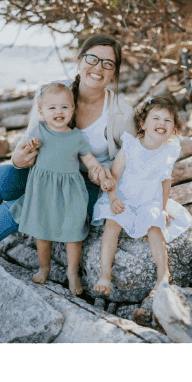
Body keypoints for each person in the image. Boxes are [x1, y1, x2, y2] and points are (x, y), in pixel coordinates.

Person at [0, 34, 135, 254]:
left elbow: (130, 164)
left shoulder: (122, 113)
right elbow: (27, 144)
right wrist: (18, 159)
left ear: (114, 72)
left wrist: (105, 174)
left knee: (17, 208)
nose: (98, 67)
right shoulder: (53, 92)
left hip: (85, 187)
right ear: (80, 61)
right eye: (92, 59)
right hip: (46, 173)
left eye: (108, 63)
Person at [9, 83, 113, 295]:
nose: (59, 112)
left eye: (64, 107)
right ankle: (44, 267)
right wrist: (32, 145)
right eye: (52, 108)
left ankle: (72, 272)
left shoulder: (76, 137)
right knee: (42, 232)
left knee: (73, 233)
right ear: (41, 112)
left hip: (70, 193)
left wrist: (100, 172)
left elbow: (90, 160)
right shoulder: (39, 131)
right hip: (43, 192)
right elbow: (26, 151)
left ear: (73, 109)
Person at [92, 96, 192, 296]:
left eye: (167, 120)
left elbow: (165, 181)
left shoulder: (169, 151)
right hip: (123, 196)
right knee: (112, 224)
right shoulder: (131, 146)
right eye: (156, 118)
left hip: (148, 200)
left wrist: (163, 209)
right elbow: (113, 176)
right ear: (143, 124)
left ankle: (163, 276)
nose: (161, 124)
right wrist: (113, 200)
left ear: (174, 128)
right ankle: (105, 274)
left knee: (155, 226)